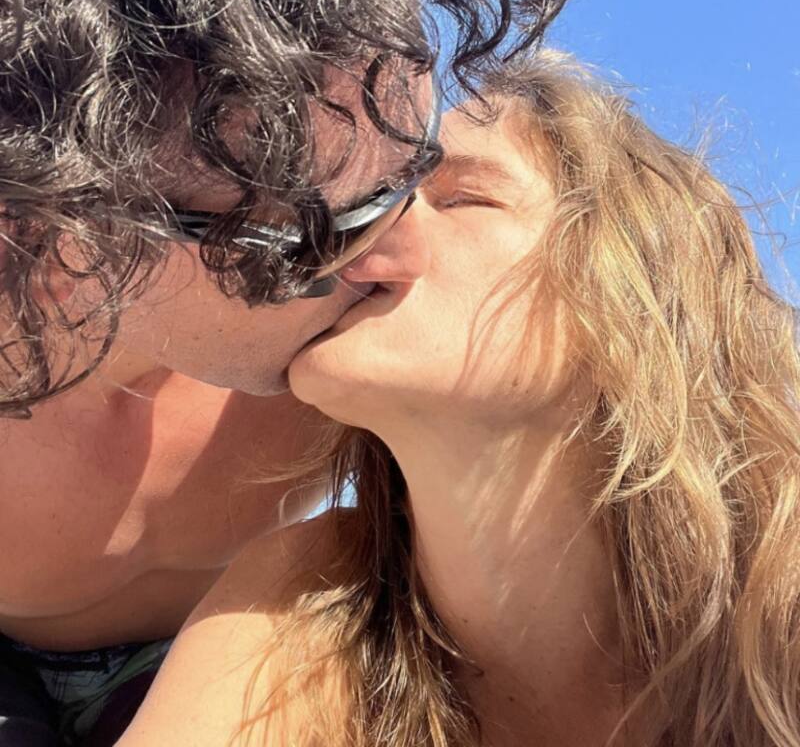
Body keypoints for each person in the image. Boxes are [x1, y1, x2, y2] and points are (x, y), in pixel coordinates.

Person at [0, 0, 576, 741]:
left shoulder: (374, 363)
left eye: (414, 173)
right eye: (311, 237)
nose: (401, 251)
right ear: (71, 220)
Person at [116, 50, 800, 747]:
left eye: (461, 197)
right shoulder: (308, 595)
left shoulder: (783, 607)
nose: (354, 232)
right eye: (367, 197)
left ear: (632, 289)